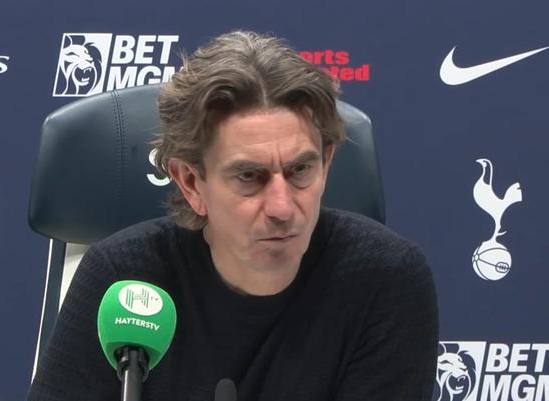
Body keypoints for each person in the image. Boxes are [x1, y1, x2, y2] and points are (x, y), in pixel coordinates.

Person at [27, 30, 438, 401]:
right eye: (249, 177)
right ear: (190, 182)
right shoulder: (124, 281)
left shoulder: (385, 279)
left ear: (327, 163)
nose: (282, 208)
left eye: (300, 170)